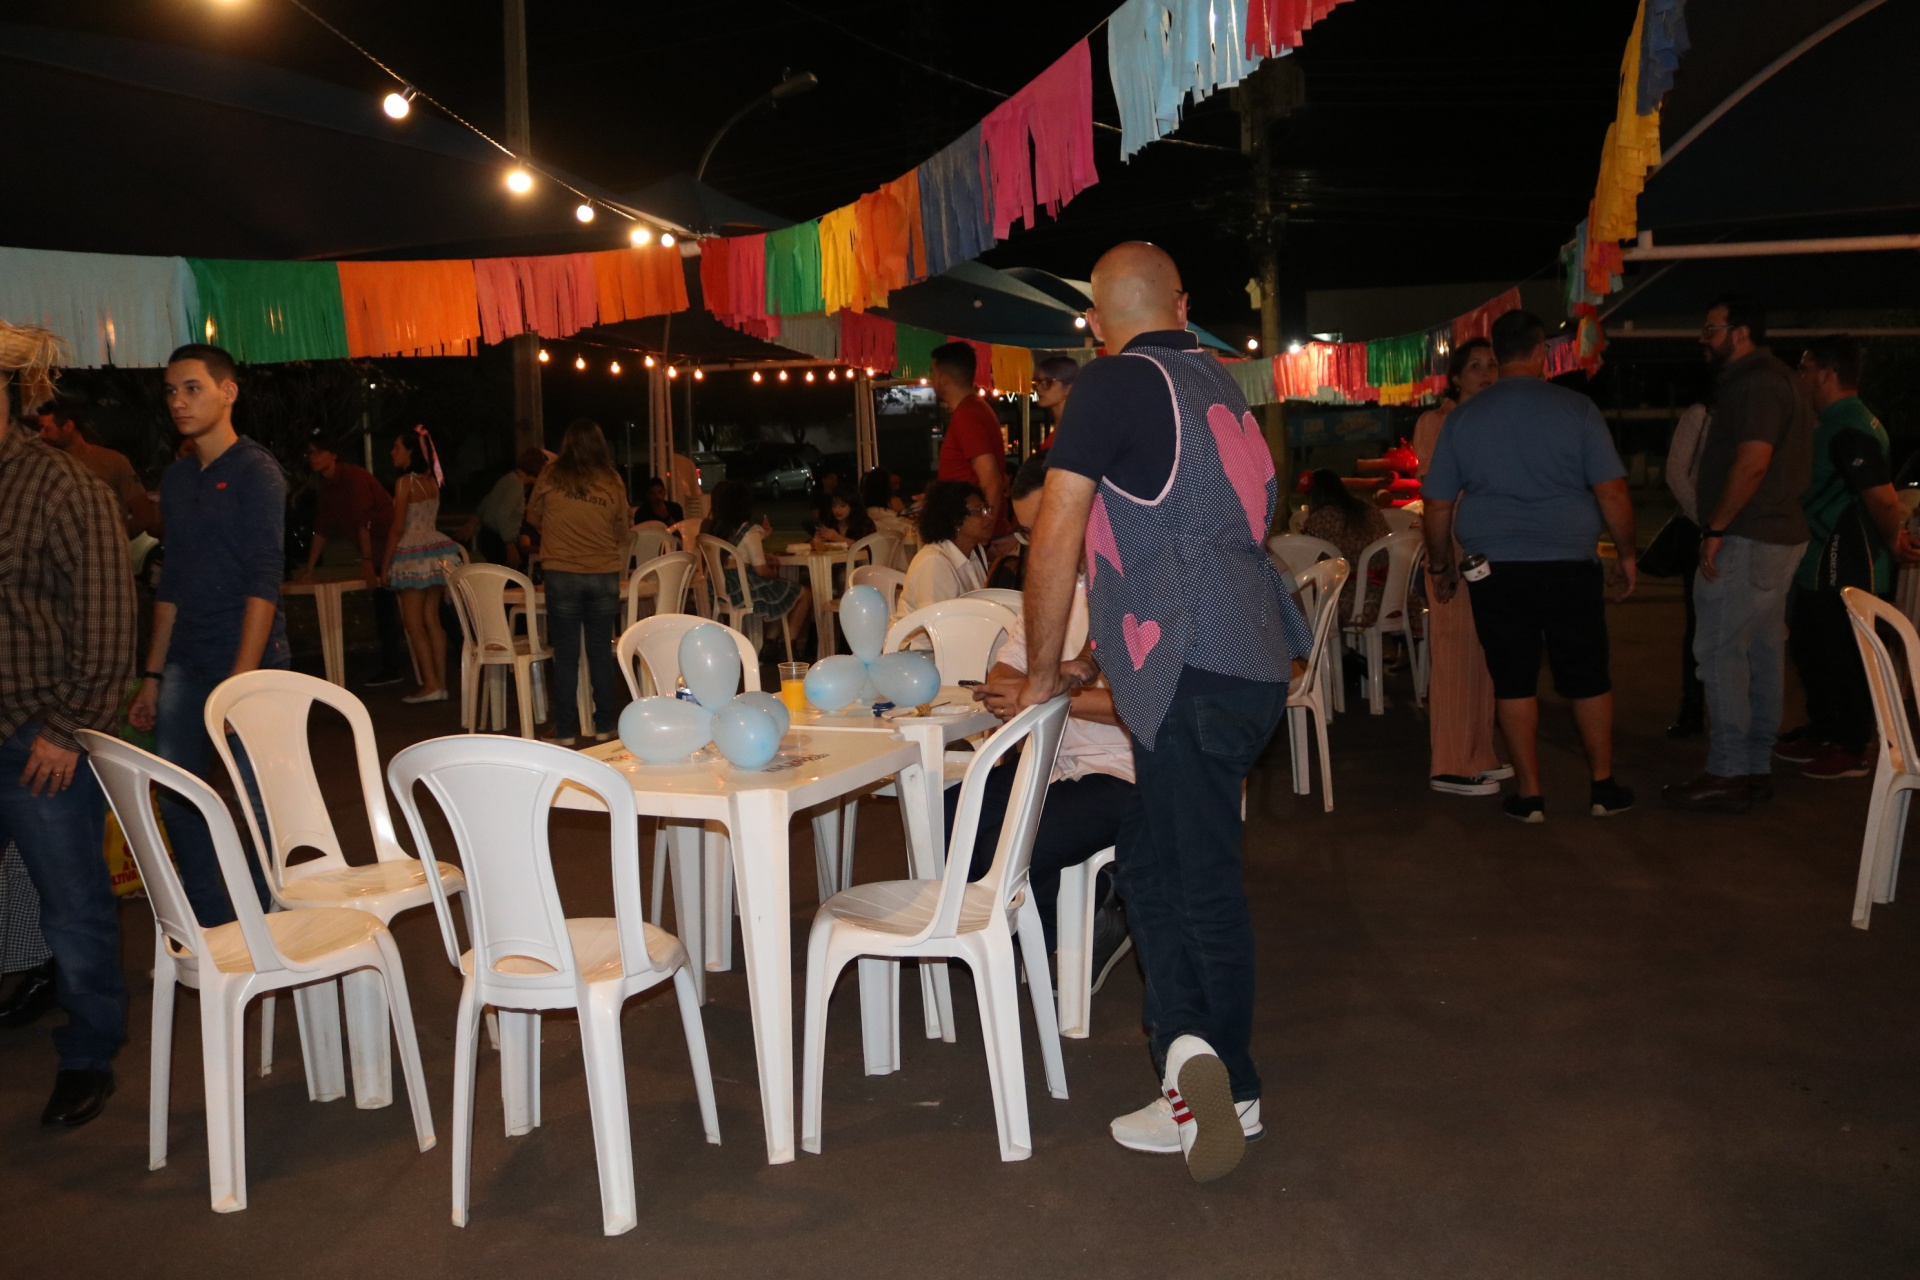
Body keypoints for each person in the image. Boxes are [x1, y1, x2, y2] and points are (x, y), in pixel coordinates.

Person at [1020, 242, 1312, 1183]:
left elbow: (1057, 528)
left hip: (1191, 669)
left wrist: (1039, 672)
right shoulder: (1221, 387)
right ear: (1183, 306)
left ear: (1095, 323)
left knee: (1197, 882)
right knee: (1151, 859)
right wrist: (1091, 658)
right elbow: (1184, 535)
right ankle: (1189, 1054)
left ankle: (1230, 1083)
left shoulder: (1113, 383)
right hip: (1249, 659)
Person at [1423, 310, 1637, 823]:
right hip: (1570, 563)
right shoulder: (1577, 409)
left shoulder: (1464, 419)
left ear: (1498, 356)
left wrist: (1441, 564)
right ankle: (1603, 786)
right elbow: (1612, 491)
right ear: (1541, 352)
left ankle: (1531, 795)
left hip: (1496, 569)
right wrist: (1627, 553)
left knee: (1514, 678)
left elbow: (1437, 505)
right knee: (1587, 675)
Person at [0, 321, 135, 1127]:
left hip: (36, 734)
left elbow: (110, 622)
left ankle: (88, 1054)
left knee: (74, 905)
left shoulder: (63, 486)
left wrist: (66, 727)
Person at [127, 342, 285, 927]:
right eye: (171, 391)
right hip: (185, 663)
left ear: (228, 392)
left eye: (192, 388)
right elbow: (172, 581)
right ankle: (215, 929)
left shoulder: (255, 470)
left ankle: (277, 928)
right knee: (178, 797)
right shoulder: (176, 477)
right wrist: (152, 674)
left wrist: (242, 681)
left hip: (247, 661)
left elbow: (265, 578)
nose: (179, 401)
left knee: (258, 804)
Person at [965, 457, 1133, 986]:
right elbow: (1002, 674)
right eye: (1026, 532)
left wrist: (1047, 693)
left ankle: (1085, 919)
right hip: (1049, 764)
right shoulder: (1049, 590)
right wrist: (1039, 689)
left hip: (1124, 771)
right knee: (948, 817)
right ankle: (1032, 935)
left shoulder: (1135, 581)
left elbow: (1140, 704)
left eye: (1046, 527)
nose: (1038, 544)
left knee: (1005, 845)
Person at [1663, 297, 1814, 813]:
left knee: (1720, 652)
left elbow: (1753, 462)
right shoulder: (1780, 379)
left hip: (1749, 536)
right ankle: (1752, 766)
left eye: (1711, 329)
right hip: (1775, 535)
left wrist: (1717, 526)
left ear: (1741, 332)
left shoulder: (1755, 383)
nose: (1703, 339)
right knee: (1761, 653)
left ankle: (1729, 769)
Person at [1777, 335, 1920, 780]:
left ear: (1827, 373)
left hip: (1846, 561)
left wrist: (1892, 540)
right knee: (1811, 647)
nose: (1799, 376)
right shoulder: (1831, 422)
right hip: (1817, 561)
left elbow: (1883, 498)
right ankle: (1824, 730)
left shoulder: (1851, 425)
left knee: (1844, 654)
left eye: (1804, 367)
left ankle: (1852, 745)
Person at [1409, 337, 1507, 795]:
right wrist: (1441, 561)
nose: (1487, 374)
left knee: (1485, 655)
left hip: (1487, 550)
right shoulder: (1437, 423)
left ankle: (1479, 753)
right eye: (1475, 366)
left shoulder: (1494, 420)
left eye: (1492, 365)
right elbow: (1438, 498)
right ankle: (1449, 762)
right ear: (1455, 378)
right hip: (1451, 550)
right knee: (1453, 654)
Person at [526, 419, 630, 746]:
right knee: (599, 651)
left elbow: (532, 516)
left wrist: (557, 529)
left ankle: (566, 730)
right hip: (603, 574)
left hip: (561, 574)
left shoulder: (550, 475)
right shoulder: (612, 480)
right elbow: (622, 529)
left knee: (566, 653)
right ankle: (604, 725)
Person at [301, 434, 407, 687]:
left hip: (389, 546)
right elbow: (322, 529)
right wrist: (309, 568)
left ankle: (394, 667)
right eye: (311, 453)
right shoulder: (327, 487)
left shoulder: (353, 477)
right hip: (375, 548)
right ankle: (394, 665)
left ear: (333, 455)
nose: (313, 458)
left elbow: (364, 521)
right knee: (385, 605)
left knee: (388, 605)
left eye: (318, 452)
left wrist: (367, 560)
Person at [382, 425, 461, 705]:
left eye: (397, 448)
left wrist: (385, 565)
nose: (392, 452)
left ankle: (430, 684)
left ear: (411, 452)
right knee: (432, 619)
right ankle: (440, 683)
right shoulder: (432, 483)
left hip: (413, 552)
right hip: (436, 549)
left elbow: (396, 528)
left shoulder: (405, 483)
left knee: (413, 622)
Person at [703, 479, 812, 647]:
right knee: (802, 594)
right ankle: (787, 645)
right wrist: (774, 574)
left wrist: (762, 541)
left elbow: (736, 552)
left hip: (721, 588)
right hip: (742, 589)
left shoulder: (714, 529)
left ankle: (770, 644)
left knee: (780, 594)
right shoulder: (750, 530)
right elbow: (761, 570)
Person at [35, 397, 160, 538]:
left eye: (47, 429)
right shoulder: (43, 466)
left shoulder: (112, 461)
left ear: (68, 426)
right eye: (40, 429)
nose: (42, 435)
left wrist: (114, 542)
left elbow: (143, 515)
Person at [1661, 401, 1711, 737]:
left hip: (1743, 532)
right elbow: (1676, 473)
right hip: (1701, 531)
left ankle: (1736, 713)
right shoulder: (1700, 415)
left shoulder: (1757, 408)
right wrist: (1708, 522)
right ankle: (1692, 709)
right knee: (1699, 625)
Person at [931, 342, 1008, 532]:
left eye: (932, 373)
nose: (931, 379)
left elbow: (992, 481)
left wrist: (984, 531)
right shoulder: (976, 408)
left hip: (973, 533)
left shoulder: (967, 415)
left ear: (943, 379)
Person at [1300, 468, 1391, 624]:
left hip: (1350, 597)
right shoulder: (1368, 509)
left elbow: (1307, 561)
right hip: (1390, 592)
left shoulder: (1319, 521)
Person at [902, 479, 992, 615]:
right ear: (955, 519)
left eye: (987, 509)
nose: (989, 517)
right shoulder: (934, 562)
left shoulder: (976, 552)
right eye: (979, 510)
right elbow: (936, 623)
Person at [475, 448, 546, 567]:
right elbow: (502, 514)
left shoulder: (510, 479)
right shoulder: (515, 484)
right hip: (497, 539)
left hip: (492, 536)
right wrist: (510, 545)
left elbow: (488, 500)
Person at [1033, 354, 1080, 449]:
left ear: (1068, 389)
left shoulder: (1073, 433)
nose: (1039, 388)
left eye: (1047, 382)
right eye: (1037, 382)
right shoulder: (1062, 431)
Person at [809, 489, 874, 550]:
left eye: (843, 506)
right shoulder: (830, 522)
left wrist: (836, 537)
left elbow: (864, 547)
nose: (837, 510)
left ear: (853, 506)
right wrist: (816, 541)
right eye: (834, 506)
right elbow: (815, 546)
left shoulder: (865, 522)